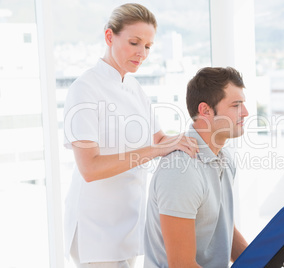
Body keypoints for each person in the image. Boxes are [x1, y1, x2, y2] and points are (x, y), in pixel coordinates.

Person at [63, 3, 198, 267]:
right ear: (109, 36)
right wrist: (156, 150)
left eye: (148, 46)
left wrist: (199, 139)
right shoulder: (85, 89)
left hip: (126, 223)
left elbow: (158, 140)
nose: (142, 53)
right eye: (134, 43)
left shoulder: (134, 87)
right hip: (96, 230)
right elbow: (90, 168)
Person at [144, 67, 250, 268]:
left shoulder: (224, 159)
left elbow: (224, 228)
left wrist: (263, 261)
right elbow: (181, 265)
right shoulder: (181, 171)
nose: (245, 112)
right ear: (205, 111)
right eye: (236, 105)